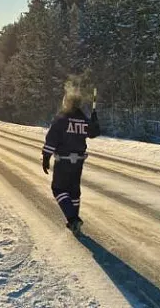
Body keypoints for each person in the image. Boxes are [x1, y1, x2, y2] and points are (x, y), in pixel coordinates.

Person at [41, 90, 100, 234]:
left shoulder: (62, 118)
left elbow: (52, 138)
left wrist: (46, 157)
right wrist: (94, 120)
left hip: (64, 161)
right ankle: (75, 221)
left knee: (59, 189)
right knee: (74, 192)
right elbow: (93, 133)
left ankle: (73, 219)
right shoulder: (83, 119)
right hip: (78, 162)